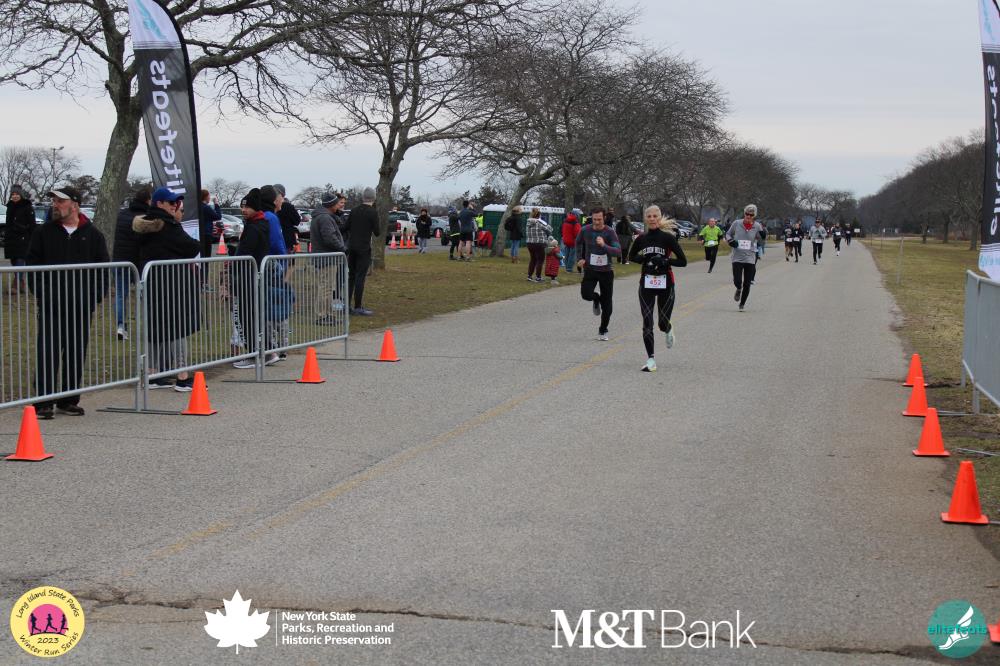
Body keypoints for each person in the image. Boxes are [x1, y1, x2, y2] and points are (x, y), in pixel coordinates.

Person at [26, 186, 109, 418]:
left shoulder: (93, 235)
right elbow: (32, 266)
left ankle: (69, 399)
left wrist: (93, 297)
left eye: (60, 201)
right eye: (54, 201)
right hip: (51, 306)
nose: (55, 205)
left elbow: (103, 270)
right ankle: (43, 401)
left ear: (74, 204)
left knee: (75, 353)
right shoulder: (43, 232)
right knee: (48, 352)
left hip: (80, 307)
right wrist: (43, 293)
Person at [132, 187, 200, 391]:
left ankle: (152, 374)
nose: (175, 206)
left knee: (155, 327)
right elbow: (191, 246)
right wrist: (177, 223)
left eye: (176, 203)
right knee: (177, 327)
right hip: (171, 283)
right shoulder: (168, 225)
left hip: (152, 282)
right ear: (159, 203)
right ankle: (182, 376)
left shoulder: (145, 226)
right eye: (171, 203)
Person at [628, 206, 687, 371]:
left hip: (666, 283)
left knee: (662, 323)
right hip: (646, 283)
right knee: (647, 322)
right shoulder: (641, 238)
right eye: (649, 216)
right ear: (645, 219)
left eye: (655, 216)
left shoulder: (668, 238)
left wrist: (665, 261)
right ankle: (651, 360)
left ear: (659, 218)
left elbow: (683, 261)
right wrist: (644, 259)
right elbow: (631, 256)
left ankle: (668, 328)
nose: (652, 219)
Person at [231, 188, 271, 368]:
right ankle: (267, 351)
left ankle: (255, 353)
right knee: (255, 313)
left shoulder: (255, 227)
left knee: (248, 315)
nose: (243, 210)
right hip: (254, 274)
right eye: (242, 207)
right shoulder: (258, 224)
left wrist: (234, 262)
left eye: (247, 207)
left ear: (255, 208)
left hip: (250, 275)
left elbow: (246, 252)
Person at [575, 206, 621, 340]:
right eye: (594, 219)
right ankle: (596, 299)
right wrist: (579, 258)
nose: (596, 222)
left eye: (599, 219)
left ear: (604, 218)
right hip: (590, 269)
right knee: (586, 295)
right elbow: (578, 243)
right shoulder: (585, 230)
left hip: (606, 271)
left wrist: (604, 245)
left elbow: (618, 252)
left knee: (607, 304)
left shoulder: (610, 232)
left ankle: (603, 330)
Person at [112, 188, 151, 340]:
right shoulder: (146, 217)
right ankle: (148, 324)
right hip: (138, 262)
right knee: (144, 294)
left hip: (120, 259)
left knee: (121, 295)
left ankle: (121, 326)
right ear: (148, 200)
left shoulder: (122, 214)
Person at [310, 192, 347, 325]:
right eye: (336, 203)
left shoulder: (323, 216)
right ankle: (322, 315)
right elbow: (330, 238)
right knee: (325, 288)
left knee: (328, 287)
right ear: (331, 204)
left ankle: (328, 314)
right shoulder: (325, 218)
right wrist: (343, 248)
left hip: (325, 257)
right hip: (326, 258)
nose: (339, 205)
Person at [345, 187, 380, 315]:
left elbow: (346, 226)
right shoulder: (373, 212)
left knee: (351, 276)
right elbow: (377, 232)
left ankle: (347, 305)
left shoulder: (354, 210)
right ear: (374, 198)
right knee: (360, 277)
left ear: (363, 197)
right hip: (364, 248)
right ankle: (358, 306)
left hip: (352, 247)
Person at [724, 204, 764, 312]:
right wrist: (730, 241)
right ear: (744, 213)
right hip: (737, 257)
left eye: (751, 215)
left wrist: (763, 234)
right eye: (747, 214)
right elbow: (728, 234)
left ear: (754, 216)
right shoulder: (737, 223)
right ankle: (738, 288)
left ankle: (742, 304)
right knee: (737, 281)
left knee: (747, 283)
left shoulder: (757, 226)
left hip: (750, 257)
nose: (748, 216)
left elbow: (761, 239)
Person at [4, 185, 35, 294]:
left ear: (21, 195)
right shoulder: (9, 207)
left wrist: (30, 236)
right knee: (13, 260)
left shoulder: (27, 206)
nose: (15, 196)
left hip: (23, 238)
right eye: (13, 194)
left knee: (20, 260)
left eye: (17, 194)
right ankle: (21, 283)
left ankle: (16, 284)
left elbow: (32, 224)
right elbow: (8, 223)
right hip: (11, 238)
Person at [525, 207, 552, 283]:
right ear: (539, 215)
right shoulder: (540, 223)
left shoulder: (528, 223)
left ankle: (529, 276)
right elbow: (550, 230)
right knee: (540, 260)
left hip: (530, 243)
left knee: (532, 259)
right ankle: (538, 277)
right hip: (540, 243)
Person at [274, 184, 300, 252]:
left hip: (275, 239)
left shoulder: (269, 206)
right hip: (287, 239)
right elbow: (297, 221)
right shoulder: (288, 207)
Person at [198, 188, 222, 260]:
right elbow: (218, 216)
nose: (209, 198)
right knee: (207, 255)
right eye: (209, 196)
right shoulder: (206, 207)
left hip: (199, 233)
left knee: (201, 254)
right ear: (205, 197)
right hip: (206, 234)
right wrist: (216, 204)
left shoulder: (198, 206)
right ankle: (205, 267)